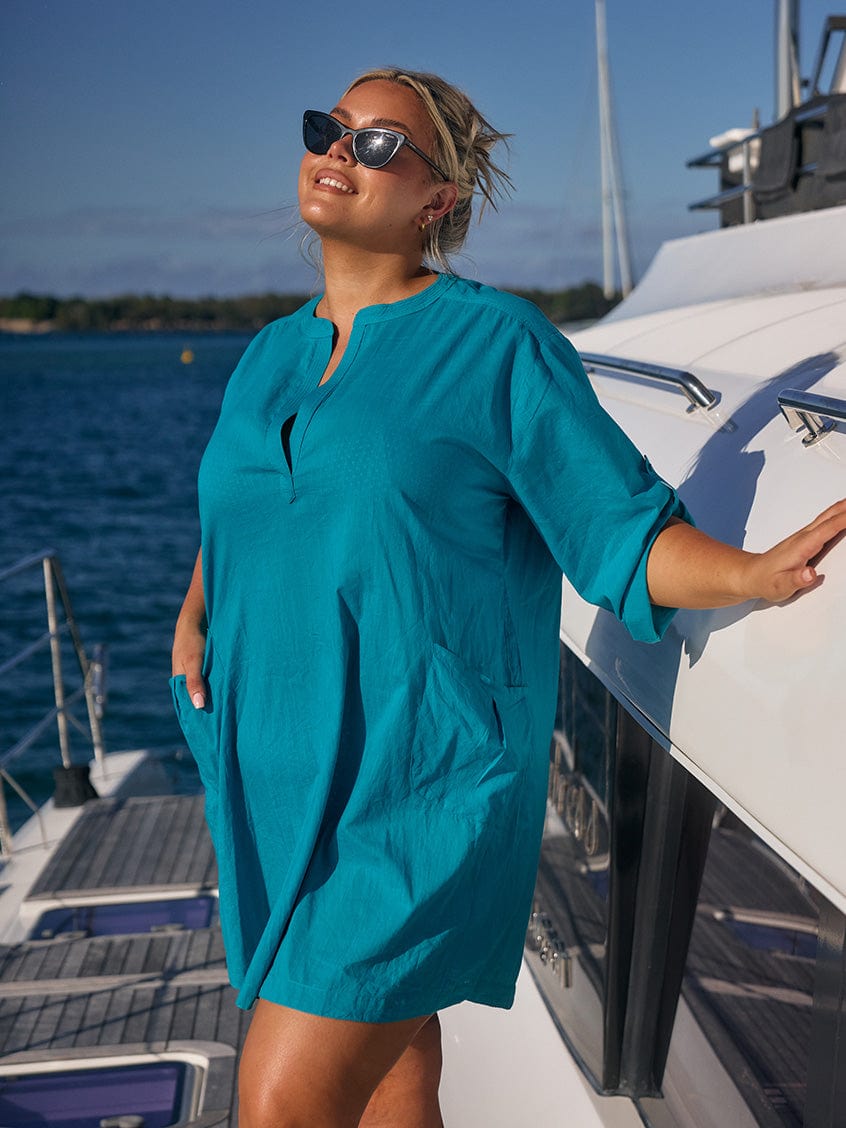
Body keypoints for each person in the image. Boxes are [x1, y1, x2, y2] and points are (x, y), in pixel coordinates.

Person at [171, 67, 846, 1128]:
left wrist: (753, 571)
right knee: (394, 1071)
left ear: (438, 199)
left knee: (282, 1100)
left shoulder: (498, 345)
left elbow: (617, 530)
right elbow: (249, 506)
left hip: (417, 785)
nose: (340, 152)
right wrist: (194, 618)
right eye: (329, 129)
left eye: (379, 144)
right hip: (274, 766)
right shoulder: (267, 354)